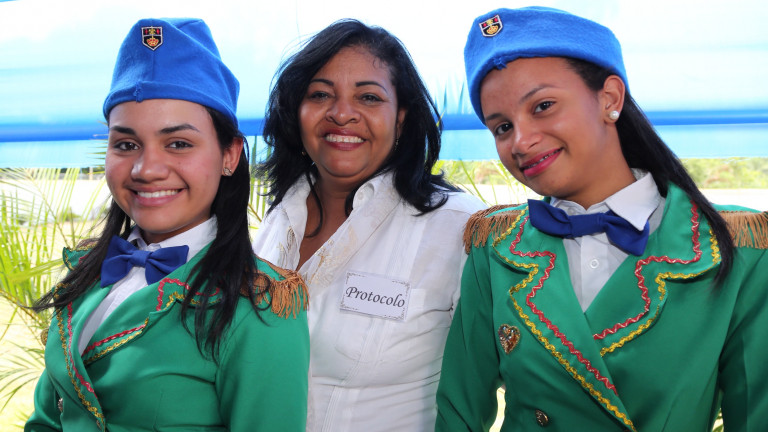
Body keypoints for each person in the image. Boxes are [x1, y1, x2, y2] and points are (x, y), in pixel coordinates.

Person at [436, 6, 768, 432]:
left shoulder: (738, 250)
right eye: (501, 127)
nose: (520, 141)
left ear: (609, 98)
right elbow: (458, 415)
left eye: (542, 106)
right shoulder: (495, 249)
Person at [25, 18, 309, 432]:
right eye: (126, 144)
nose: (146, 169)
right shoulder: (87, 271)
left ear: (230, 155)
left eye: (178, 143)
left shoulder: (260, 308)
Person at [252, 18, 485, 432]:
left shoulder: (458, 228)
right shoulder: (277, 218)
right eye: (320, 94)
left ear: (401, 119)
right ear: (296, 111)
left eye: (369, 97)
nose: (342, 113)